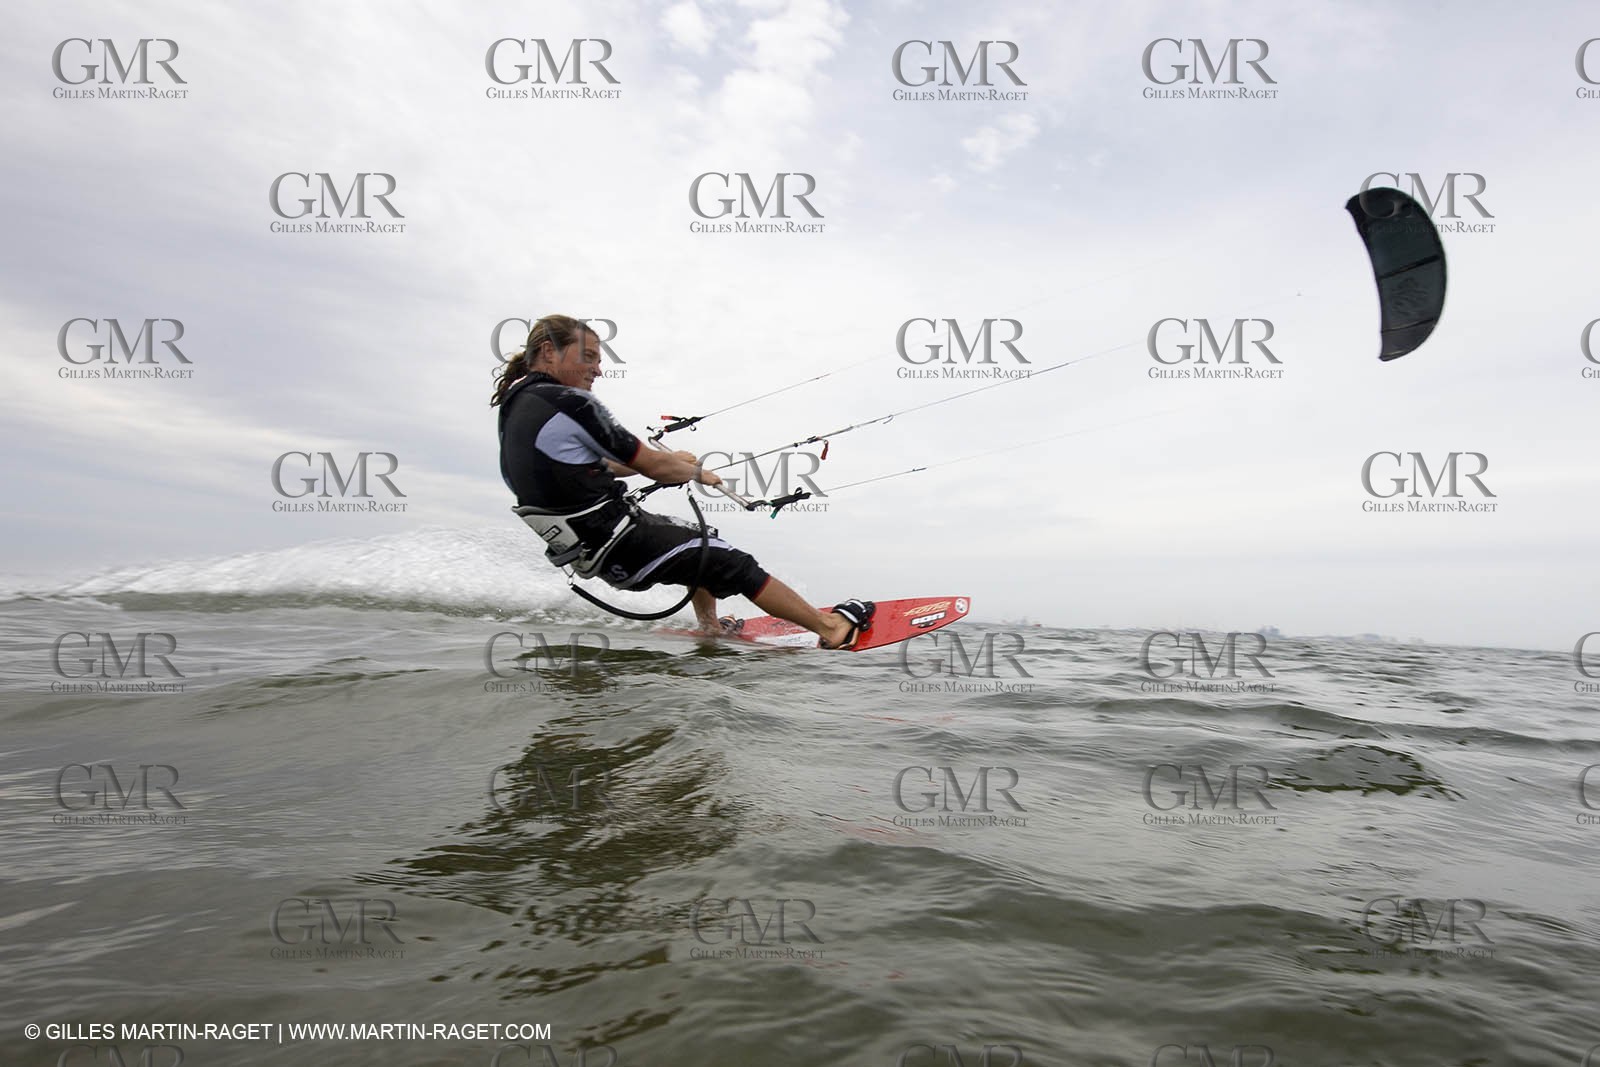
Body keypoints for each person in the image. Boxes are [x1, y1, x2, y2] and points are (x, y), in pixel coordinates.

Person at [492, 315, 873, 649]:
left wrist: (669, 461)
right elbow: (654, 467)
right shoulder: (570, 403)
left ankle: (709, 628)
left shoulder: (519, 406)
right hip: (621, 540)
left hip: (592, 551)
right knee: (736, 566)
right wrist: (692, 471)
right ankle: (833, 628)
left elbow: (605, 464)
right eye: (588, 356)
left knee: (703, 538)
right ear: (548, 351)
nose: (598, 369)